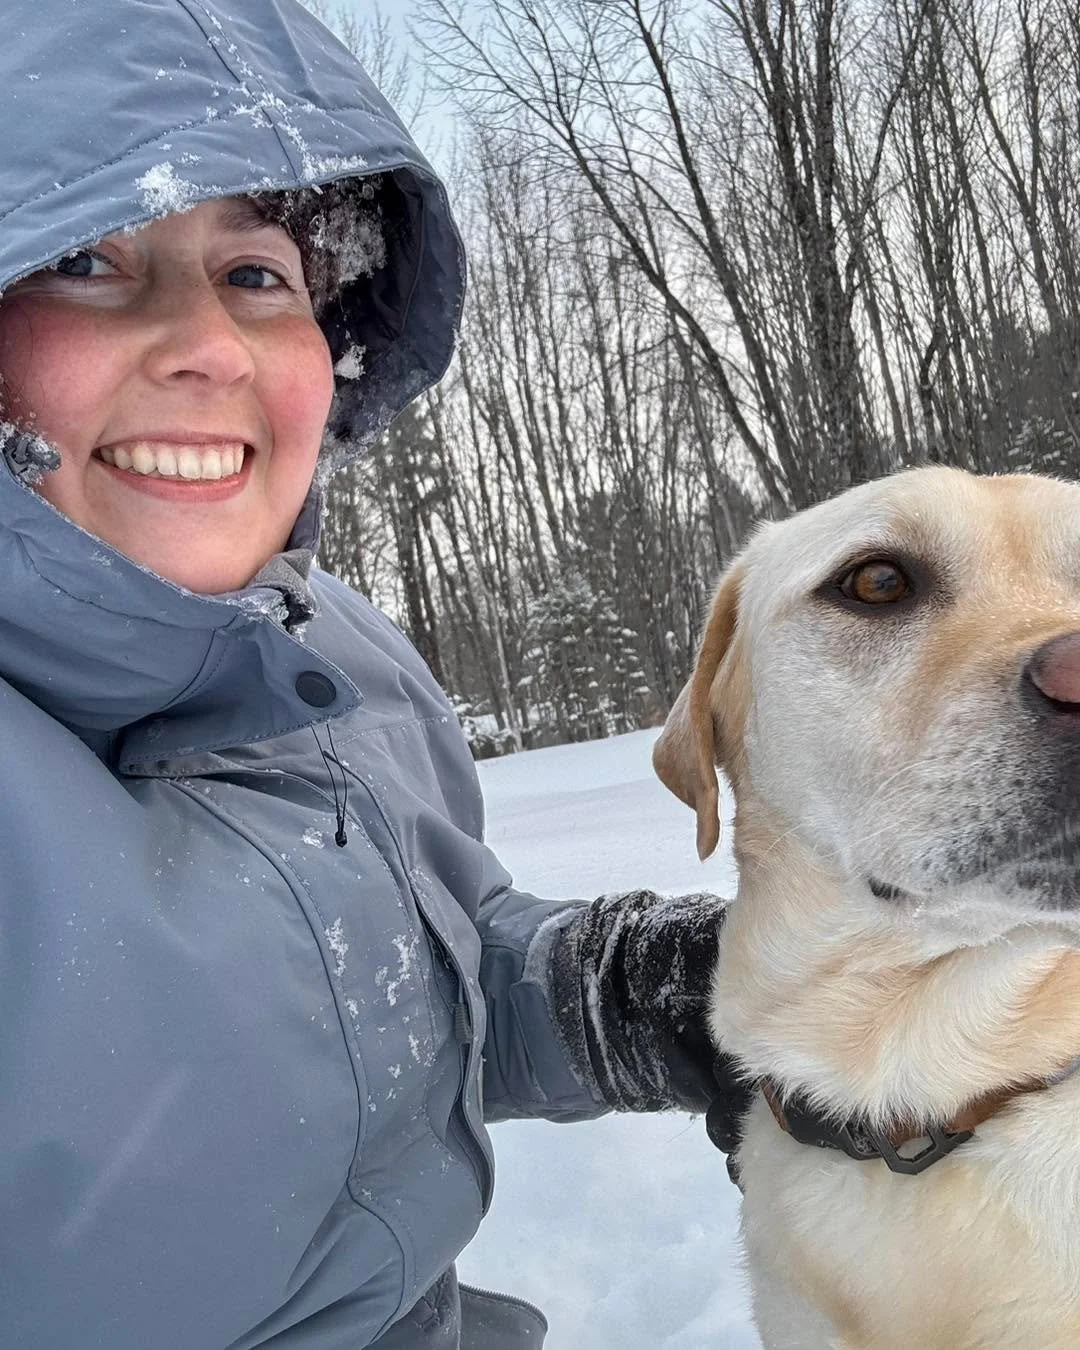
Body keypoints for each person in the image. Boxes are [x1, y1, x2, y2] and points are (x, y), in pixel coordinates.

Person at [0, 2, 747, 1347]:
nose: (212, 345)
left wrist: (629, 990)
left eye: (257, 275)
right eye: (86, 262)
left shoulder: (328, 648)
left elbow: (402, 977)